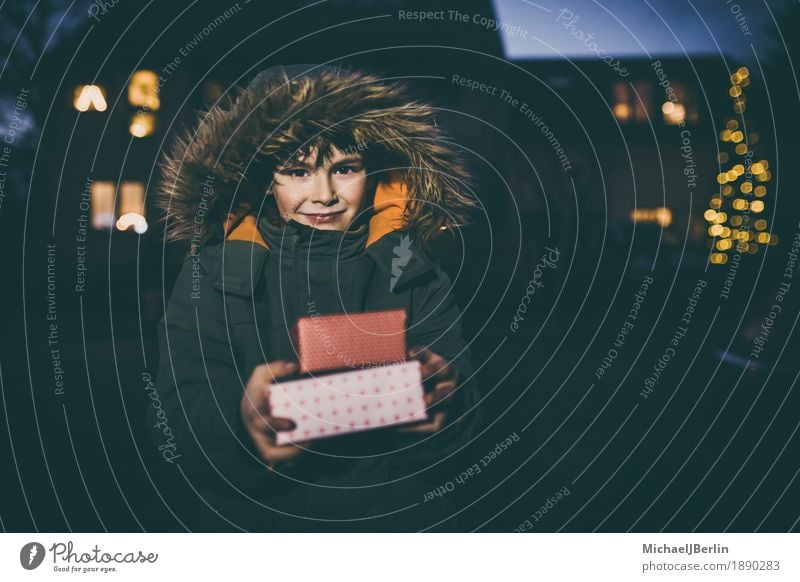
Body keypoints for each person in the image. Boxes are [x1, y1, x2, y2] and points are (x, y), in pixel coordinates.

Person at [150, 64, 483, 531]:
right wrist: (241, 423)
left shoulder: (415, 270)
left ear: (375, 171)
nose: (323, 194)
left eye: (345, 169)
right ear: (268, 179)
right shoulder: (214, 270)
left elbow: (465, 416)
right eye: (298, 172)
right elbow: (179, 407)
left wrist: (447, 402)